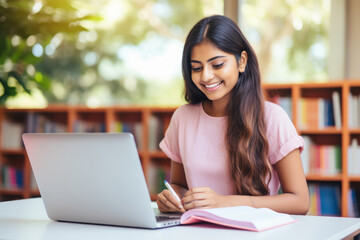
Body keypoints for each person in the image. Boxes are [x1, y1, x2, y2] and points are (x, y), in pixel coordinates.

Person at [156, 15, 309, 215]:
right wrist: (171, 197)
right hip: (198, 231)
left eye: (217, 65)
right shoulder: (182, 118)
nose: (205, 76)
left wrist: (226, 202)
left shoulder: (272, 118)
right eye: (196, 67)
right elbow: (179, 185)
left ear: (242, 61)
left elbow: (300, 202)